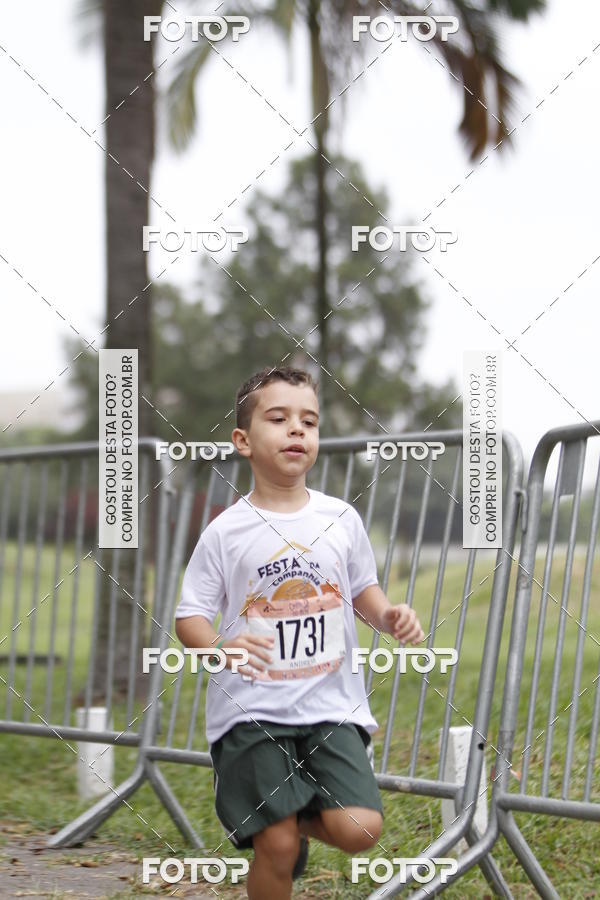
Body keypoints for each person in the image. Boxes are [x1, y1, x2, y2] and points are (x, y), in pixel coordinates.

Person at [175, 365, 424, 899]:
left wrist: (388, 617)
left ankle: (287, 810)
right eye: (279, 418)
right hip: (252, 713)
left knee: (360, 830)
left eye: (308, 422)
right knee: (279, 847)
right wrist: (220, 646)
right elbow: (189, 616)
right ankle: (275, 825)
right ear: (243, 440)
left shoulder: (341, 518)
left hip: (330, 707)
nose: (297, 430)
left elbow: (363, 590)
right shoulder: (225, 532)